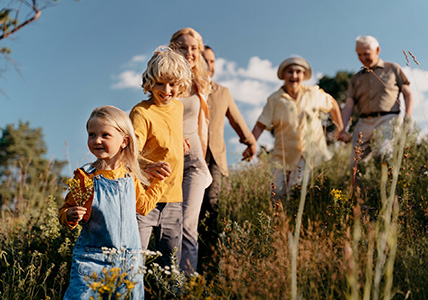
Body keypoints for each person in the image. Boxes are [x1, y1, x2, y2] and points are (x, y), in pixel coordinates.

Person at [59, 105, 164, 299]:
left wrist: (159, 182)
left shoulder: (130, 177)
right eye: (91, 135)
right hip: (93, 263)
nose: (96, 140)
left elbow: (143, 207)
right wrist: (70, 215)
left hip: (129, 264)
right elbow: (65, 210)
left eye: (105, 135)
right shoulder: (84, 177)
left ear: (124, 141)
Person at [243, 57, 344, 199]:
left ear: (303, 75)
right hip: (282, 154)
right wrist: (250, 145)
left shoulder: (313, 94)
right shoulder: (275, 99)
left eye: (298, 72)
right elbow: (261, 124)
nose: (294, 76)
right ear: (284, 75)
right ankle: (280, 220)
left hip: (307, 153)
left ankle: (295, 218)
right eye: (290, 72)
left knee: (295, 189)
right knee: (277, 193)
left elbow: (332, 104)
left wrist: (340, 128)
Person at [129, 47, 192, 268]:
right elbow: (129, 152)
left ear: (181, 84)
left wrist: (179, 140)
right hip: (144, 199)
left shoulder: (178, 107)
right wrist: (148, 166)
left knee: (170, 265)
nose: (166, 90)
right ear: (149, 82)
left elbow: (166, 130)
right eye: (160, 83)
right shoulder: (141, 113)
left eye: (172, 84)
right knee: (136, 259)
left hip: (173, 198)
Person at [198, 45, 257, 268]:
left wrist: (250, 142)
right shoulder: (185, 89)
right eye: (205, 60)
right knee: (190, 213)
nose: (209, 65)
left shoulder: (222, 92)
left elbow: (236, 119)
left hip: (215, 160)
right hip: (190, 159)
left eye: (212, 61)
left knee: (212, 208)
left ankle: (210, 264)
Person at [170, 27, 213, 275]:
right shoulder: (164, 80)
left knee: (187, 223)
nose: (189, 52)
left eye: (194, 48)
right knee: (169, 225)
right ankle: (166, 278)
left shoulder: (201, 84)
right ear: (172, 48)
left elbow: (203, 125)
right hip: (168, 163)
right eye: (183, 47)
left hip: (194, 163)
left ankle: (184, 283)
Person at [337, 35, 413, 168]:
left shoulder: (392, 69)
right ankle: (359, 189)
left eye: (366, 54)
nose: (362, 58)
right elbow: (349, 105)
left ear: (377, 50)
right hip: (364, 122)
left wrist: (408, 117)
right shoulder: (356, 78)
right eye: (359, 54)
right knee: (354, 164)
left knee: (383, 155)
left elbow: (408, 93)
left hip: (388, 119)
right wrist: (342, 129)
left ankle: (387, 187)